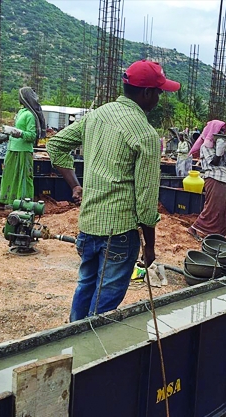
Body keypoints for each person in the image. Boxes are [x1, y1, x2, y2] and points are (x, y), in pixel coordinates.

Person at [46, 60, 180, 322]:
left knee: (85, 286)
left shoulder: (96, 116)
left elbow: (56, 145)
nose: (159, 98)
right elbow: (146, 201)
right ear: (147, 93)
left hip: (89, 225)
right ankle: (91, 345)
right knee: (104, 306)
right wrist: (150, 246)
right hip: (119, 233)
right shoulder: (145, 134)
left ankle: (71, 338)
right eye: (159, 92)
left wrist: (75, 185)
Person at [0, 87, 46, 210]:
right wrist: (6, 136)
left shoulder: (29, 115)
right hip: (12, 149)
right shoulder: (21, 112)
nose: (18, 98)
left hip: (24, 151)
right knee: (8, 175)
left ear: (24, 98)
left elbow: (32, 136)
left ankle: (25, 204)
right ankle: (3, 201)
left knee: (24, 178)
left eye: (20, 96)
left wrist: (19, 133)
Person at [187, 120, 226, 239]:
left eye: (223, 131)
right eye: (219, 131)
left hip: (224, 178)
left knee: (224, 208)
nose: (221, 133)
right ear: (213, 131)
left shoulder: (219, 145)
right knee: (213, 207)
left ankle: (218, 235)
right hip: (214, 178)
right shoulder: (206, 146)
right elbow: (214, 162)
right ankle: (193, 228)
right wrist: (219, 152)